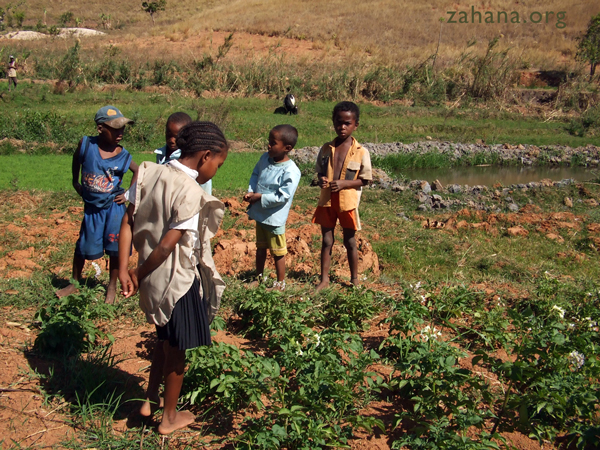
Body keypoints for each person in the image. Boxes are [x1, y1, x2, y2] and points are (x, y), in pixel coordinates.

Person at [118, 121, 228, 435]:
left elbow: (127, 221)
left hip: (150, 278)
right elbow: (168, 245)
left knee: (164, 340)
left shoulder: (148, 172)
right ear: (206, 155)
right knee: (178, 352)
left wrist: (128, 268)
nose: (215, 171)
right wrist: (137, 274)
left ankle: (148, 400)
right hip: (176, 282)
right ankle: (168, 419)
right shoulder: (190, 192)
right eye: (218, 165)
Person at [57, 105, 139, 303]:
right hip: (93, 208)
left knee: (114, 247)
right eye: (115, 128)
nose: (120, 133)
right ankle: (75, 281)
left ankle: (111, 286)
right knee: (83, 244)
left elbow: (138, 171)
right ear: (100, 128)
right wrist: (75, 181)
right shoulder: (86, 145)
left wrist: (129, 194)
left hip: (114, 208)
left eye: (122, 128)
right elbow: (76, 159)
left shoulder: (123, 154)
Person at [312, 101, 372, 291]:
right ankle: (324, 280)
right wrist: (322, 179)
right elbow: (320, 171)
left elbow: (365, 180)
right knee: (327, 240)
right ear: (333, 122)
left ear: (356, 125)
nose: (342, 127)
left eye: (347, 123)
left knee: (350, 240)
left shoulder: (361, 152)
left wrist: (345, 183)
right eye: (339, 122)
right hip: (327, 201)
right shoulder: (326, 149)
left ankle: (354, 279)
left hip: (347, 202)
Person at [243, 125, 301, 290]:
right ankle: (258, 277)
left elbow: (283, 196)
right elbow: (255, 174)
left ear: (287, 148)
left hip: (274, 218)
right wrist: (251, 191)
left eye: (273, 143)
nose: (268, 146)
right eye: (269, 141)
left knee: (277, 251)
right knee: (260, 247)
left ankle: (280, 283)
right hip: (261, 214)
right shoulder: (264, 159)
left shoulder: (291, 171)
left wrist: (260, 197)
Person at [154, 112, 212, 195]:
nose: (171, 140)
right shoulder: (161, 154)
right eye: (168, 134)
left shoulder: (192, 157)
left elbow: (205, 183)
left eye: (176, 137)